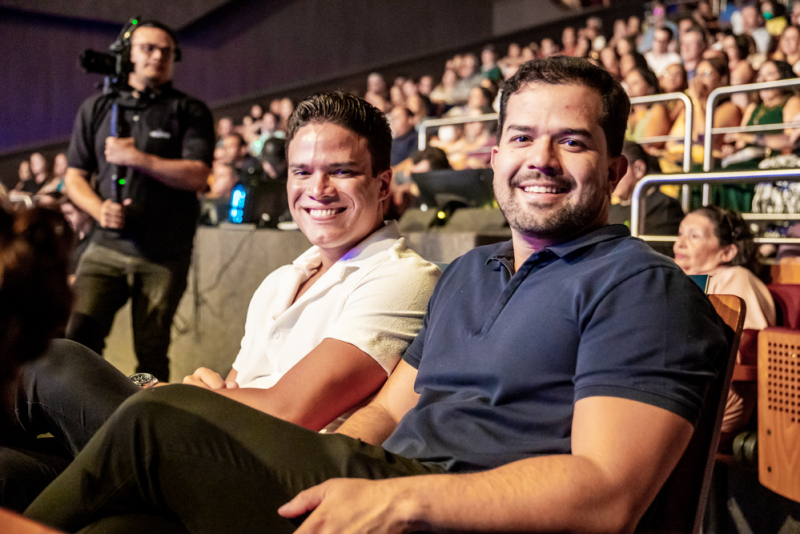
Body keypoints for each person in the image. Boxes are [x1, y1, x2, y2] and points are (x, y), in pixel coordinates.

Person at [26, 57, 729, 534]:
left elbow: (609, 493)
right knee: (125, 518)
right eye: (522, 137)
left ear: (619, 171)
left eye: (571, 142)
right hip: (383, 480)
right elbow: (388, 411)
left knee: (158, 417)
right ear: (495, 157)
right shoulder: (468, 273)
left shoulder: (640, 286)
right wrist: (297, 467)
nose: (539, 160)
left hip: (438, 512)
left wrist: (400, 496)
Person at [1, 92, 439, 513]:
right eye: (302, 172)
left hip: (271, 475)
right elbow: (235, 388)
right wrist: (201, 392)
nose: (317, 189)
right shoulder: (281, 280)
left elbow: (290, 410)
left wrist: (175, 396)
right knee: (9, 471)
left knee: (55, 362)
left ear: (383, 185)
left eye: (341, 171)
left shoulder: (404, 276)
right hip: (212, 449)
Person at [62, 20, 215, 382]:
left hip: (163, 254)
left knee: (151, 352)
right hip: (105, 248)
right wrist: (99, 209)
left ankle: (145, 427)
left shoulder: (189, 110)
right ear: (127, 54)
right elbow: (73, 177)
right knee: (77, 340)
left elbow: (197, 175)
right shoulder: (96, 107)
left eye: (166, 51)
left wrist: (138, 158)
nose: (158, 56)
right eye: (149, 48)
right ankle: (82, 417)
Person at [674, 206, 775, 443]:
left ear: (727, 252)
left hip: (722, 391)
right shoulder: (673, 277)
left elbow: (748, 348)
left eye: (694, 236)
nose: (680, 243)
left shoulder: (737, 277)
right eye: (680, 234)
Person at [609, 141, 684, 256]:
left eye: (617, 169)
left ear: (639, 169)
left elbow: (656, 257)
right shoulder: (611, 209)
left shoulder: (665, 207)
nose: (610, 176)